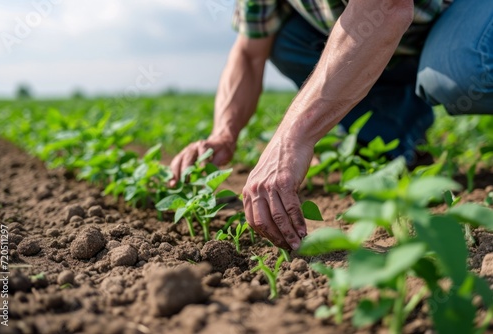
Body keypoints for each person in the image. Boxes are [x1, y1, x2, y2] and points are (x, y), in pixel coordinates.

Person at [170, 0, 493, 250]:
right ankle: (391, 131)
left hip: (459, 14)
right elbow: (249, 53)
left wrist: (292, 139)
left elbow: (387, 6)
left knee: (468, 70)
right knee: (284, 36)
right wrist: (223, 133)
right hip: (396, 43)